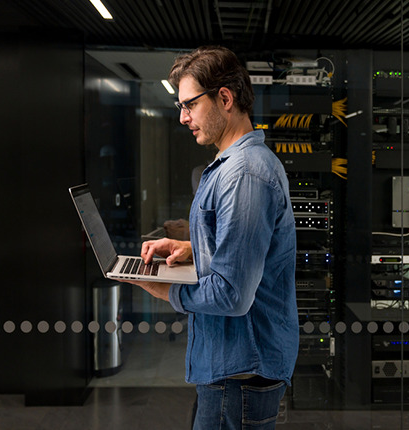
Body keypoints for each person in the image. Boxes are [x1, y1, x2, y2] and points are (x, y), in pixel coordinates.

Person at [126, 45, 298, 430]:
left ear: (225, 98)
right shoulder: (235, 166)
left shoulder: (245, 175)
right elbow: (248, 250)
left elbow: (232, 296)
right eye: (180, 107)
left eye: (190, 105)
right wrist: (190, 249)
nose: (184, 118)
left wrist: (161, 288)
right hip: (234, 369)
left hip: (241, 372)